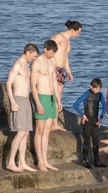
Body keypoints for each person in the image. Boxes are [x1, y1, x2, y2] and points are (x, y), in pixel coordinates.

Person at [5, 43, 40, 173]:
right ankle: (10, 162)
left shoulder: (27, 66)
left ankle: (22, 162)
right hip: (18, 99)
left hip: (26, 100)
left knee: (25, 133)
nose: (35, 58)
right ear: (28, 52)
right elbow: (8, 84)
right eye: (34, 56)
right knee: (20, 132)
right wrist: (13, 102)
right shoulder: (18, 65)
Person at [31, 39, 62, 172]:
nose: (52, 55)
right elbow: (33, 85)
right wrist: (37, 103)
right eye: (51, 53)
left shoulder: (52, 61)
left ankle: (45, 160)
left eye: (54, 53)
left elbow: (54, 80)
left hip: (50, 98)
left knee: (47, 130)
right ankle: (40, 162)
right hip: (41, 97)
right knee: (40, 130)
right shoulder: (37, 63)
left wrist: (58, 99)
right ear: (45, 49)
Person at [50, 20, 83, 131]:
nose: (78, 35)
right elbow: (49, 47)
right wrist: (51, 66)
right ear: (73, 30)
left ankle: (54, 122)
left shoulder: (68, 42)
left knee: (59, 96)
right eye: (78, 32)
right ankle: (53, 123)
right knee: (55, 96)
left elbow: (65, 57)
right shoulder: (59, 37)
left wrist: (69, 72)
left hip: (62, 70)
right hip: (54, 68)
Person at [73, 78, 107, 169]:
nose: (97, 91)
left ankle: (97, 161)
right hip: (87, 121)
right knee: (87, 140)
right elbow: (75, 105)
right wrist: (82, 115)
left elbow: (104, 106)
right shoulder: (86, 94)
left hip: (95, 122)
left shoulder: (100, 95)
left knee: (96, 141)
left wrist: (101, 118)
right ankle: (85, 161)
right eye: (96, 89)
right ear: (91, 87)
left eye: (99, 89)